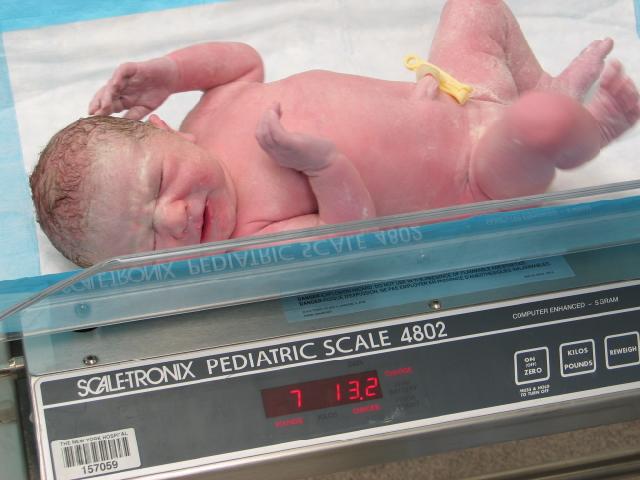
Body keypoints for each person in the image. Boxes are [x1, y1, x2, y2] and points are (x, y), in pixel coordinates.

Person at [30, 0, 640, 267]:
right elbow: (350, 234)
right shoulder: (247, 237)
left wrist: (172, 72)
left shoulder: (209, 115)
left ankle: (538, 88)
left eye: (159, 183)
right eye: (148, 241)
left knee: (474, 6)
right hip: (475, 175)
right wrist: (322, 165)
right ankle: (586, 129)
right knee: (534, 128)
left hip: (454, 91)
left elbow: (243, 61)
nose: (174, 217)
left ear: (164, 129)